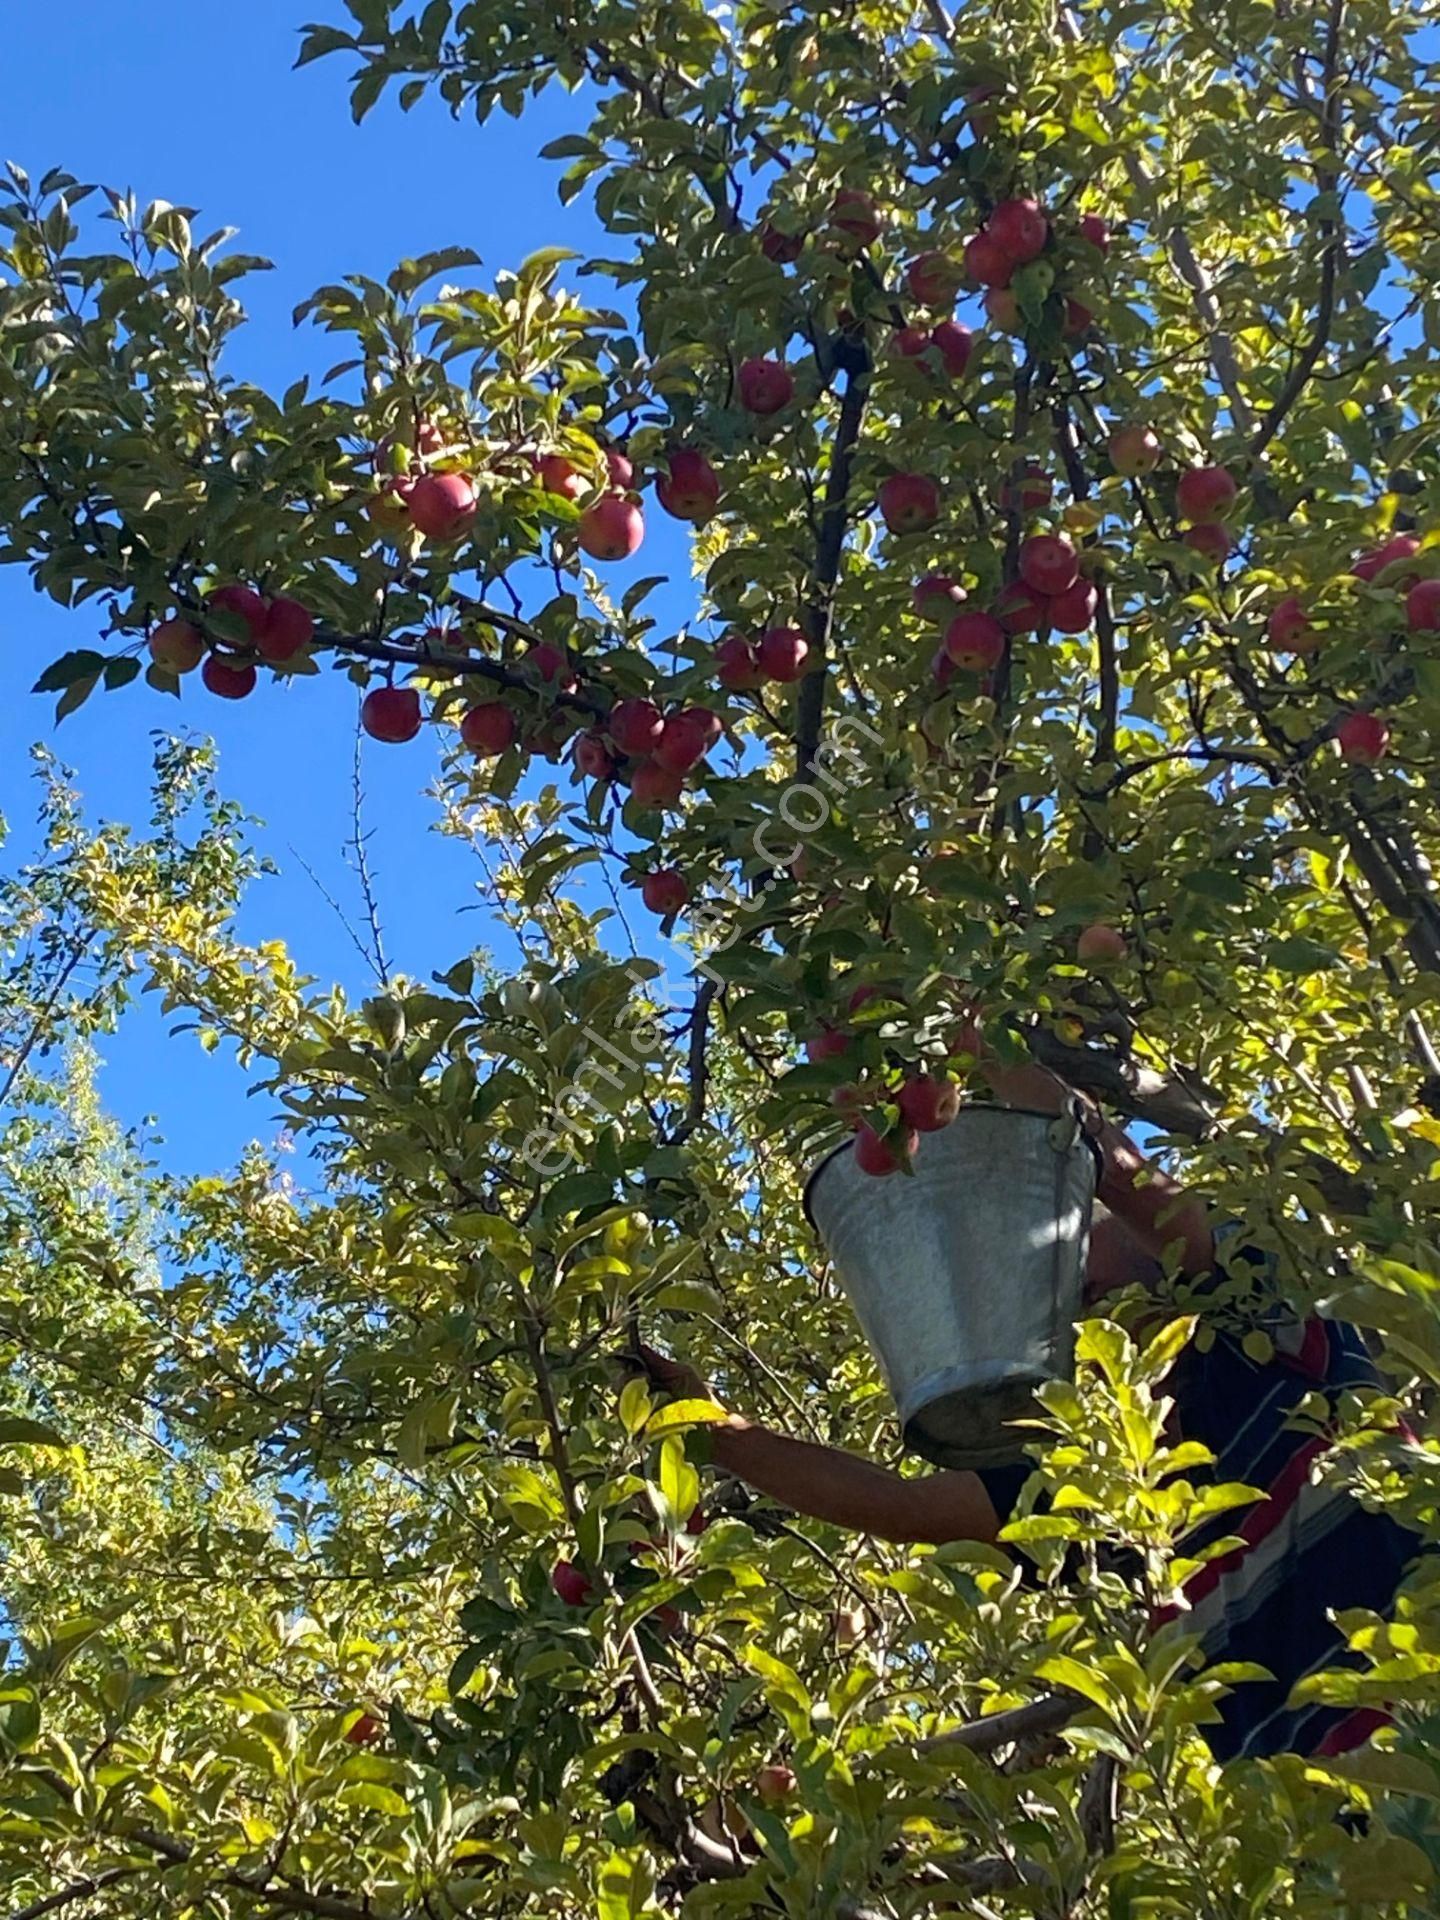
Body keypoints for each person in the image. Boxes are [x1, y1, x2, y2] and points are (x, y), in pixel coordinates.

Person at [638, 1063, 1424, 1763]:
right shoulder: (1091, 1487)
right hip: (1317, 1821)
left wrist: (971, 1039)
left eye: (1085, 1268)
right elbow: (902, 1505)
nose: (1069, 1298)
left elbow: (1128, 1181)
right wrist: (712, 1430)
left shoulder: (1265, 1333)